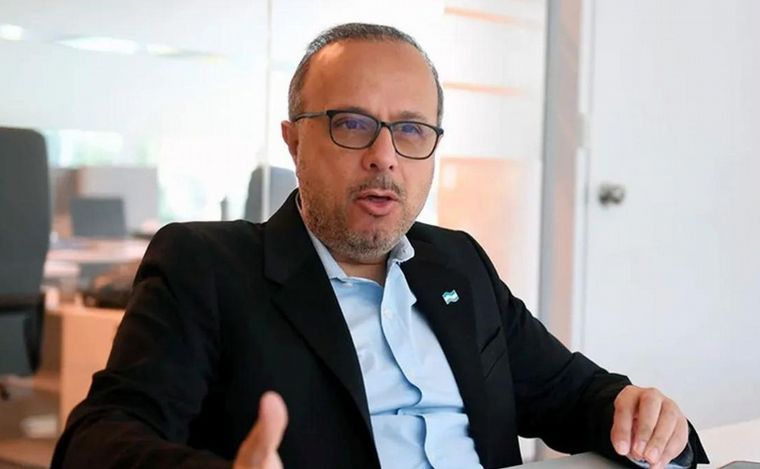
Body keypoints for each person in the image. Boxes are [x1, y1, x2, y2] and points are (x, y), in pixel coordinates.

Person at [51, 23, 709, 469]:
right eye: (352, 124)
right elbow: (95, 440)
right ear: (293, 141)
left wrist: (645, 417)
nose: (384, 156)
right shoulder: (207, 266)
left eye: (412, 130)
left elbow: (572, 395)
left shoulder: (458, 264)